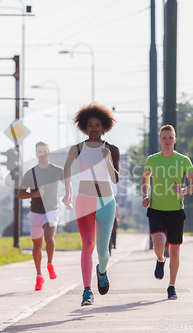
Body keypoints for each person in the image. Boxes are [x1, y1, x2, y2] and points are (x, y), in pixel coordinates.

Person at [63, 103, 120, 306]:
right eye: (90, 125)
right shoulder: (77, 149)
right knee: (88, 244)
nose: (94, 128)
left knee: (103, 252)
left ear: (103, 126)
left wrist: (108, 162)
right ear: (84, 127)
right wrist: (68, 192)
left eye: (97, 125)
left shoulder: (111, 149)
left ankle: (101, 272)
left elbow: (115, 179)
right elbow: (66, 170)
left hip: (106, 203)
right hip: (84, 201)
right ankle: (87, 291)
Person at [141, 124, 193, 300]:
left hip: (176, 211)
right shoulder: (152, 159)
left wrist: (183, 190)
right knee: (159, 244)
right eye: (164, 138)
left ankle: (171, 286)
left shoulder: (184, 160)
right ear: (160, 140)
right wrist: (145, 195)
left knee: (174, 251)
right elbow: (145, 177)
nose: (167, 141)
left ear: (175, 140)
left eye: (170, 138)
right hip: (156, 208)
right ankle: (160, 260)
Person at [18, 142, 71, 291]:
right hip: (35, 212)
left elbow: (68, 181)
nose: (42, 154)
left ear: (49, 154)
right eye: (39, 151)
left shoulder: (56, 170)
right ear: (36, 154)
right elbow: (20, 194)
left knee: (49, 236)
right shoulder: (31, 173)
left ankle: (50, 264)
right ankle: (39, 276)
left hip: (51, 210)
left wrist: (69, 194)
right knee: (37, 245)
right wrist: (34, 194)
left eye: (44, 151)